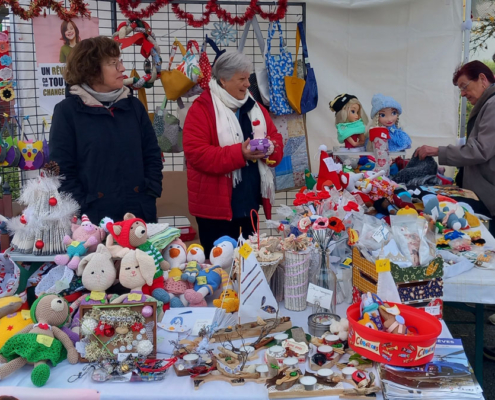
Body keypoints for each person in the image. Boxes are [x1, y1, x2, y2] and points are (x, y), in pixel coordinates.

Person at [49, 36, 163, 224]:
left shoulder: (134, 106)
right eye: (113, 63)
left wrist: (149, 193)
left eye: (120, 61)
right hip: (93, 221)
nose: (122, 68)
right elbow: (62, 171)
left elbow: (152, 154)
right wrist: (83, 207)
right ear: (91, 70)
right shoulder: (67, 112)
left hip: (139, 216)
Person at [183, 52, 283, 256]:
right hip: (214, 211)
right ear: (223, 80)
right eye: (242, 79)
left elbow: (276, 139)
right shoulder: (202, 109)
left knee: (248, 266)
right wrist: (241, 153)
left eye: (248, 78)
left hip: (249, 204)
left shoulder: (254, 106)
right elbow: (197, 154)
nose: (248, 84)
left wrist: (270, 148)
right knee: (218, 267)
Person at [416, 60, 495, 236]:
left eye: (464, 86)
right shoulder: (486, 105)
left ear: (482, 79)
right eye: (460, 89)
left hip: (488, 195)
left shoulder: (493, 104)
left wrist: (438, 151)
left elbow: (480, 149)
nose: (463, 93)